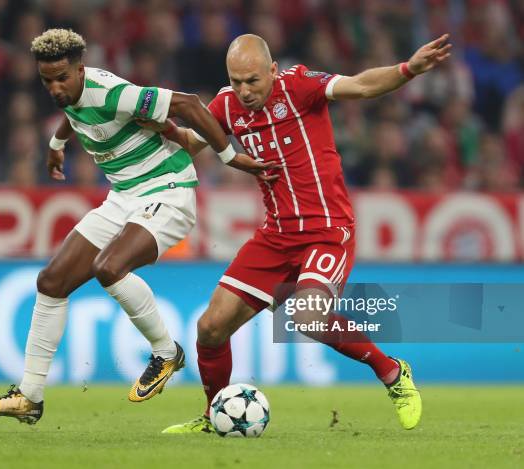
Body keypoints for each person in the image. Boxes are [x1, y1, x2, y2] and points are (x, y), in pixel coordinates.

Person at [0, 29, 273, 424]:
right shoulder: (71, 93)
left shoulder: (114, 93)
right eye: (47, 81)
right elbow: (72, 114)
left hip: (168, 188)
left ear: (81, 70)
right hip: (123, 196)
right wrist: (56, 146)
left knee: (109, 268)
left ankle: (167, 353)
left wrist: (231, 157)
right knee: (51, 281)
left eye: (62, 78)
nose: (56, 88)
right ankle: (30, 396)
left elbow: (189, 104)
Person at [159, 33, 451, 433]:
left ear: (273, 70)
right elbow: (193, 141)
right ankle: (214, 416)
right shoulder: (225, 105)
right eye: (236, 81)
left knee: (308, 315)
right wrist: (167, 137)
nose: (243, 91)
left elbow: (361, 85)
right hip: (276, 235)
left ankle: (393, 374)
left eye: (252, 81)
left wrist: (408, 69)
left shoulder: (299, 86)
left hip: (327, 230)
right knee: (210, 328)